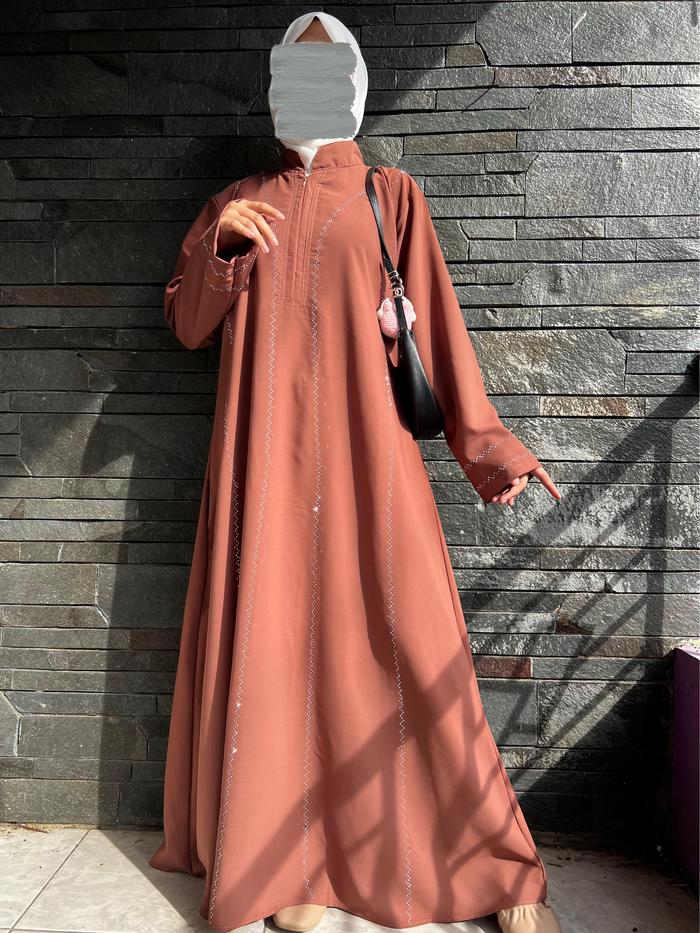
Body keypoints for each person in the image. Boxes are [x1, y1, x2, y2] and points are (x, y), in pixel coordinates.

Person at [148, 11, 564, 933]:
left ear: (355, 86)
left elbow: (438, 328)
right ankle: (286, 862)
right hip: (262, 466)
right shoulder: (237, 199)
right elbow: (186, 323)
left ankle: (493, 867)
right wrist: (220, 247)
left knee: (412, 647)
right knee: (278, 650)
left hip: (369, 465)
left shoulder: (389, 195)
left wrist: (489, 447)